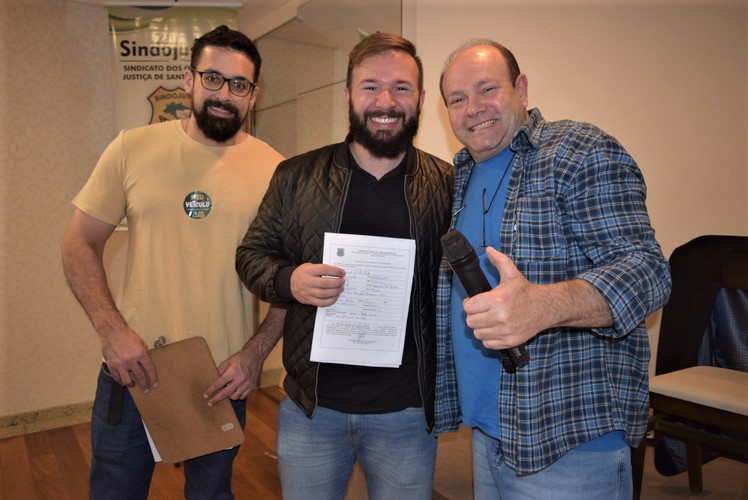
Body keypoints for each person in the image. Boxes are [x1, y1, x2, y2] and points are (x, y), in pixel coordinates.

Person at [434, 39, 672, 499]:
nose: (473, 108)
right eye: (457, 99)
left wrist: (543, 305)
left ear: (521, 89)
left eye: (488, 89)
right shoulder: (460, 174)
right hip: (487, 431)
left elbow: (647, 272)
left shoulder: (579, 151)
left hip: (567, 442)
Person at [60, 25, 285, 500]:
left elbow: (292, 279)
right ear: (188, 79)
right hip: (133, 369)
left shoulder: (276, 171)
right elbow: (79, 243)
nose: (224, 94)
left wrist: (255, 354)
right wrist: (111, 332)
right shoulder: (132, 148)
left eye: (239, 84)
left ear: (254, 95)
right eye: (212, 78)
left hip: (220, 379)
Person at [235, 33, 454, 500]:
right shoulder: (295, 176)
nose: (386, 102)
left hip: (406, 414)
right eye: (371, 86)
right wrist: (289, 280)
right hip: (313, 410)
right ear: (348, 95)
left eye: (401, 87)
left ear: (420, 99)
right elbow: (251, 255)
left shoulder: (447, 184)